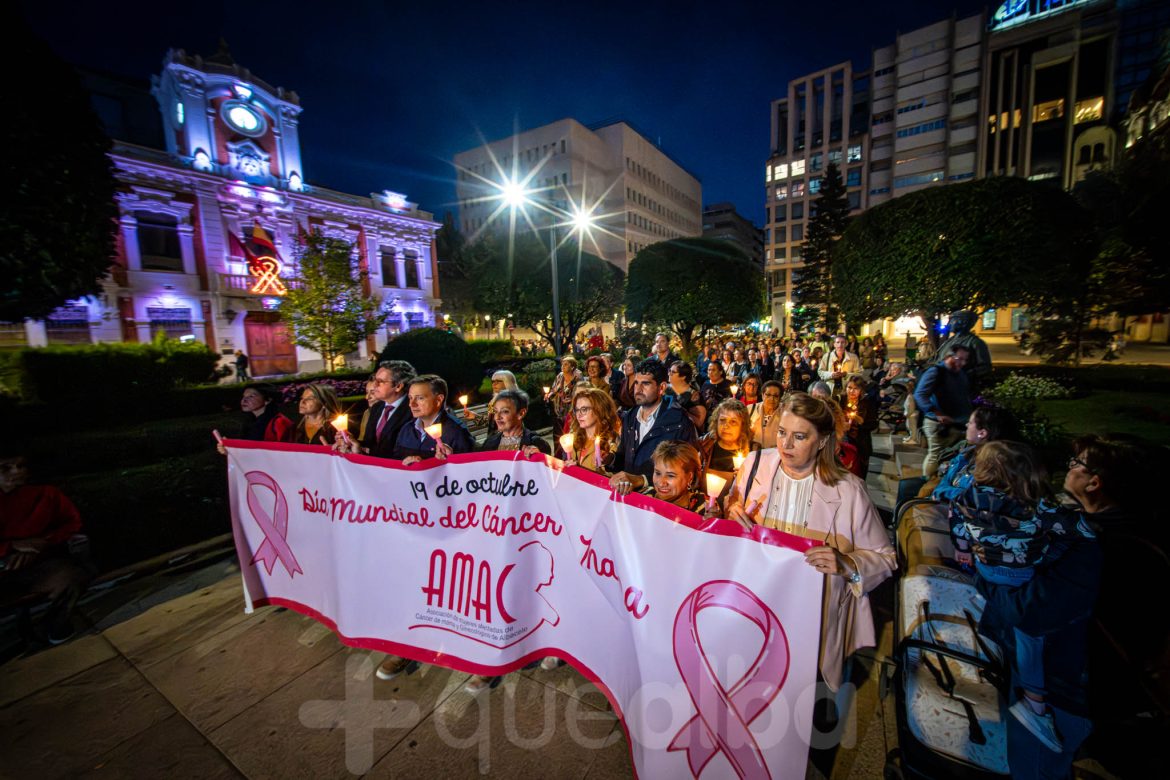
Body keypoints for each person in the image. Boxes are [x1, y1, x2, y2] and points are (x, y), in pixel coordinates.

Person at [724, 392, 896, 691]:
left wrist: (848, 563)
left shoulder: (849, 490)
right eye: (781, 433)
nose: (785, 445)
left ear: (823, 440)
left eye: (799, 436)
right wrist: (731, 510)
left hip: (811, 618)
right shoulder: (754, 464)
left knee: (800, 697)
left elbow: (885, 556)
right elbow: (733, 511)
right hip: (755, 601)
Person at [949, 441, 1093, 754]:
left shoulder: (967, 495)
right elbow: (1069, 528)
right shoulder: (1033, 503)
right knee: (1031, 636)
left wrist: (963, 551)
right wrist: (1084, 527)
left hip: (986, 568)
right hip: (1020, 573)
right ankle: (1035, 701)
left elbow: (957, 525)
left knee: (1017, 621)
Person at [0, 449, 92, 644]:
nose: (16, 472)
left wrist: (41, 545)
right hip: (4, 566)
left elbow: (72, 523)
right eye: (6, 468)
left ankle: (53, 626)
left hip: (36, 566)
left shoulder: (45, 495)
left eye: (21, 466)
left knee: (74, 576)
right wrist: (11, 547)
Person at [608, 360, 697, 494]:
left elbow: (686, 474)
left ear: (661, 388)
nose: (638, 389)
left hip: (659, 503)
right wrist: (609, 459)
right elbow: (623, 460)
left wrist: (642, 480)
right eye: (636, 383)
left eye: (646, 383)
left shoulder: (679, 423)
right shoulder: (630, 417)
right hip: (629, 499)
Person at [913, 343, 972, 477]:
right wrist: (937, 413)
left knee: (949, 456)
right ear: (949, 356)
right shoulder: (936, 372)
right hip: (939, 425)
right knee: (936, 454)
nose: (962, 363)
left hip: (957, 423)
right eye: (959, 359)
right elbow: (920, 394)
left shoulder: (960, 374)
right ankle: (926, 483)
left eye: (965, 360)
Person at [392, 374, 475, 463]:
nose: (411, 404)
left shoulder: (457, 432)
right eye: (410, 398)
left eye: (420, 398)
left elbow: (468, 471)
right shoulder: (407, 429)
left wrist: (450, 460)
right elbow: (396, 460)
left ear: (438, 400)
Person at [344, 361, 415, 459]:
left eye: (380, 381)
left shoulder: (413, 410)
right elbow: (370, 444)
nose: (375, 385)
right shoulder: (376, 408)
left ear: (398, 386)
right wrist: (352, 443)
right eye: (375, 380)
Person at [697, 399, 758, 490]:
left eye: (733, 422)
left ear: (743, 426)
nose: (726, 426)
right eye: (722, 420)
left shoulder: (753, 452)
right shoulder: (705, 446)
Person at [562, 386, 621, 473]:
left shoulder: (612, 441)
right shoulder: (572, 440)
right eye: (577, 410)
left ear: (599, 410)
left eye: (584, 409)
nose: (579, 415)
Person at [479, 389, 551, 457]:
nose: (497, 417)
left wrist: (538, 458)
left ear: (521, 413)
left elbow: (548, 468)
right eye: (495, 411)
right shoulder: (489, 443)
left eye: (505, 411)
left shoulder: (537, 444)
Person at [645, 441, 706, 512]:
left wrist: (713, 522)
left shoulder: (704, 506)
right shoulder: (643, 496)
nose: (661, 483)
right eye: (658, 473)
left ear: (690, 477)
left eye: (670, 476)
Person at [842, 375, 878, 478]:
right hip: (843, 442)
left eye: (855, 388)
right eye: (849, 388)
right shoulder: (841, 400)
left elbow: (874, 424)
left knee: (860, 473)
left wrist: (860, 422)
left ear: (861, 390)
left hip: (861, 443)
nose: (852, 391)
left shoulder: (867, 403)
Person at [665, 360, 707, 431]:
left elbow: (699, 423)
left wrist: (681, 410)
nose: (669, 374)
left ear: (683, 377)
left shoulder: (695, 396)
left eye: (673, 372)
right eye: (669, 370)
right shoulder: (666, 389)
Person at [750, 380, 784, 449]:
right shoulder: (750, 409)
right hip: (753, 454)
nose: (772, 399)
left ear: (780, 398)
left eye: (776, 396)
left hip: (775, 455)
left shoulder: (786, 413)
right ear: (762, 395)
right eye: (768, 395)